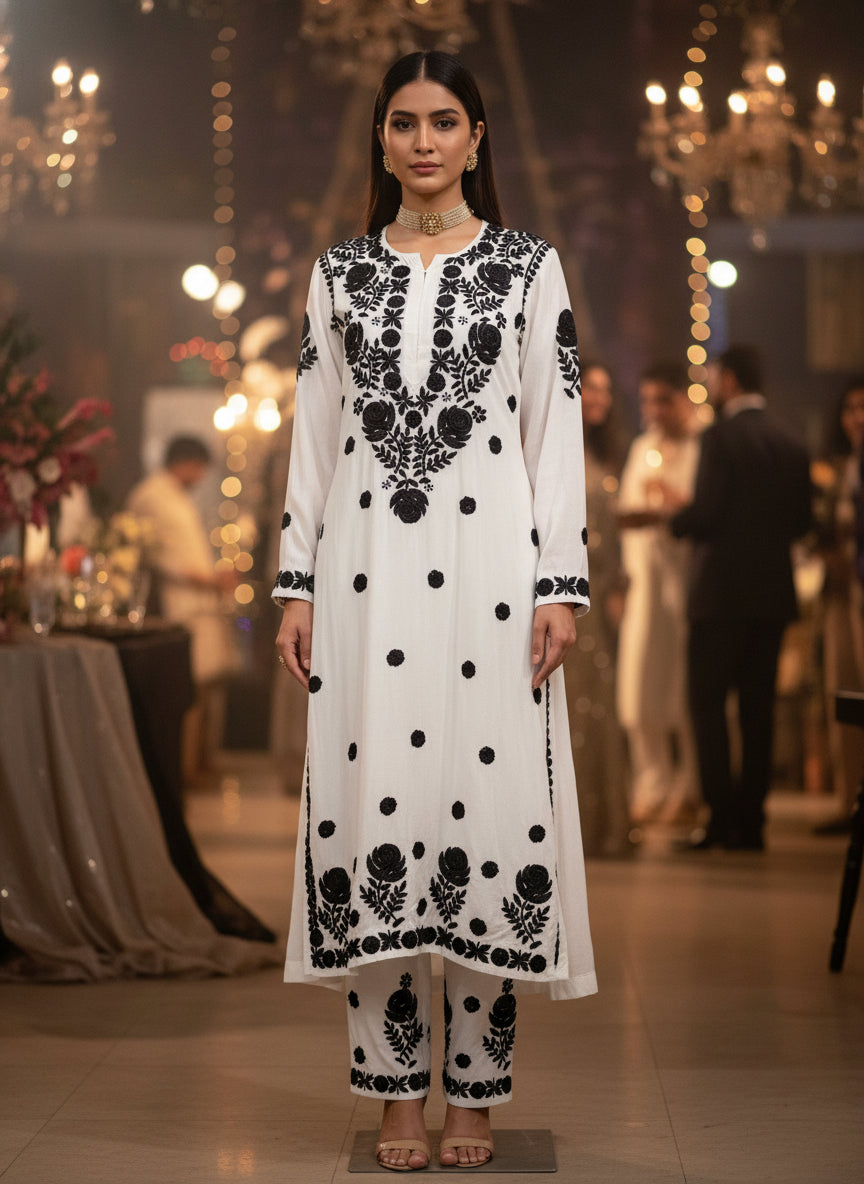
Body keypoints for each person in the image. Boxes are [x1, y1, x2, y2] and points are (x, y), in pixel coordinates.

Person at [273, 50, 596, 1172]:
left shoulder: (526, 269)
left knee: (489, 825)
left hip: (492, 586)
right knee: (373, 820)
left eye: (443, 121)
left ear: (477, 136)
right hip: (366, 583)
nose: (421, 140)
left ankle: (476, 1095)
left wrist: (561, 580)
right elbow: (314, 435)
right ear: (381, 137)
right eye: (403, 122)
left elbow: (558, 433)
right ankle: (391, 1094)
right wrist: (295, 580)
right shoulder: (340, 274)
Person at [670, 346, 812, 851]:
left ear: (728, 380)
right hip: (771, 597)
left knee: (707, 706)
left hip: (719, 598)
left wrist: (675, 517)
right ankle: (752, 824)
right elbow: (803, 524)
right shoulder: (791, 443)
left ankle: (720, 819)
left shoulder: (719, 437)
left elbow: (704, 515)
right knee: (759, 710)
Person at [616, 362, 701, 824]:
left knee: (685, 688)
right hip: (643, 580)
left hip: (686, 583)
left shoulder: (701, 445)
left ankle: (690, 787)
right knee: (639, 687)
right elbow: (628, 506)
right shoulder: (642, 446)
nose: (652, 410)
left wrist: (672, 502)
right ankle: (651, 784)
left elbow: (702, 508)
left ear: (681, 398)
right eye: (646, 400)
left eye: (661, 399)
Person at [127, 435, 237, 781]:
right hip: (176, 606)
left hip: (199, 605)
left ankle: (198, 764)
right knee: (185, 691)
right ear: (187, 462)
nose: (201, 476)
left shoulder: (175, 496)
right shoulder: (153, 495)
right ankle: (183, 770)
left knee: (204, 690)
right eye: (200, 467)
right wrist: (208, 579)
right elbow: (163, 557)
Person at [562, 360, 633, 855]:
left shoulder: (609, 454)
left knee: (599, 701)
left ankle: (601, 822)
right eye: (592, 388)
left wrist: (619, 589)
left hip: (603, 586)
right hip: (566, 589)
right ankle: (568, 824)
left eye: (607, 390)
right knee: (571, 700)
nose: (600, 398)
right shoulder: (553, 449)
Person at [812, 379, 864, 831]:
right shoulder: (839, 469)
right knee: (843, 694)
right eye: (851, 408)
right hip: (839, 594)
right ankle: (850, 801)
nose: (857, 417)